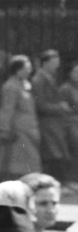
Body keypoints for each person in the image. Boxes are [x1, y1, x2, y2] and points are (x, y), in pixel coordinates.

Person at [0, 55, 43, 183]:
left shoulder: (26, 85)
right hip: (18, 130)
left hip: (30, 128)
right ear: (18, 70)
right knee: (25, 160)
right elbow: (7, 109)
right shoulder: (10, 86)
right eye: (27, 68)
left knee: (25, 160)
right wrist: (4, 129)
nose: (30, 71)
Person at [31, 50, 70, 181]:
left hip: (53, 122)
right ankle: (58, 181)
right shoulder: (39, 80)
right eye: (54, 62)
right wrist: (60, 107)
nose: (57, 66)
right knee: (53, 153)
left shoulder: (49, 78)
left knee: (57, 152)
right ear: (46, 63)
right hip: (47, 122)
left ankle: (60, 181)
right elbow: (40, 105)